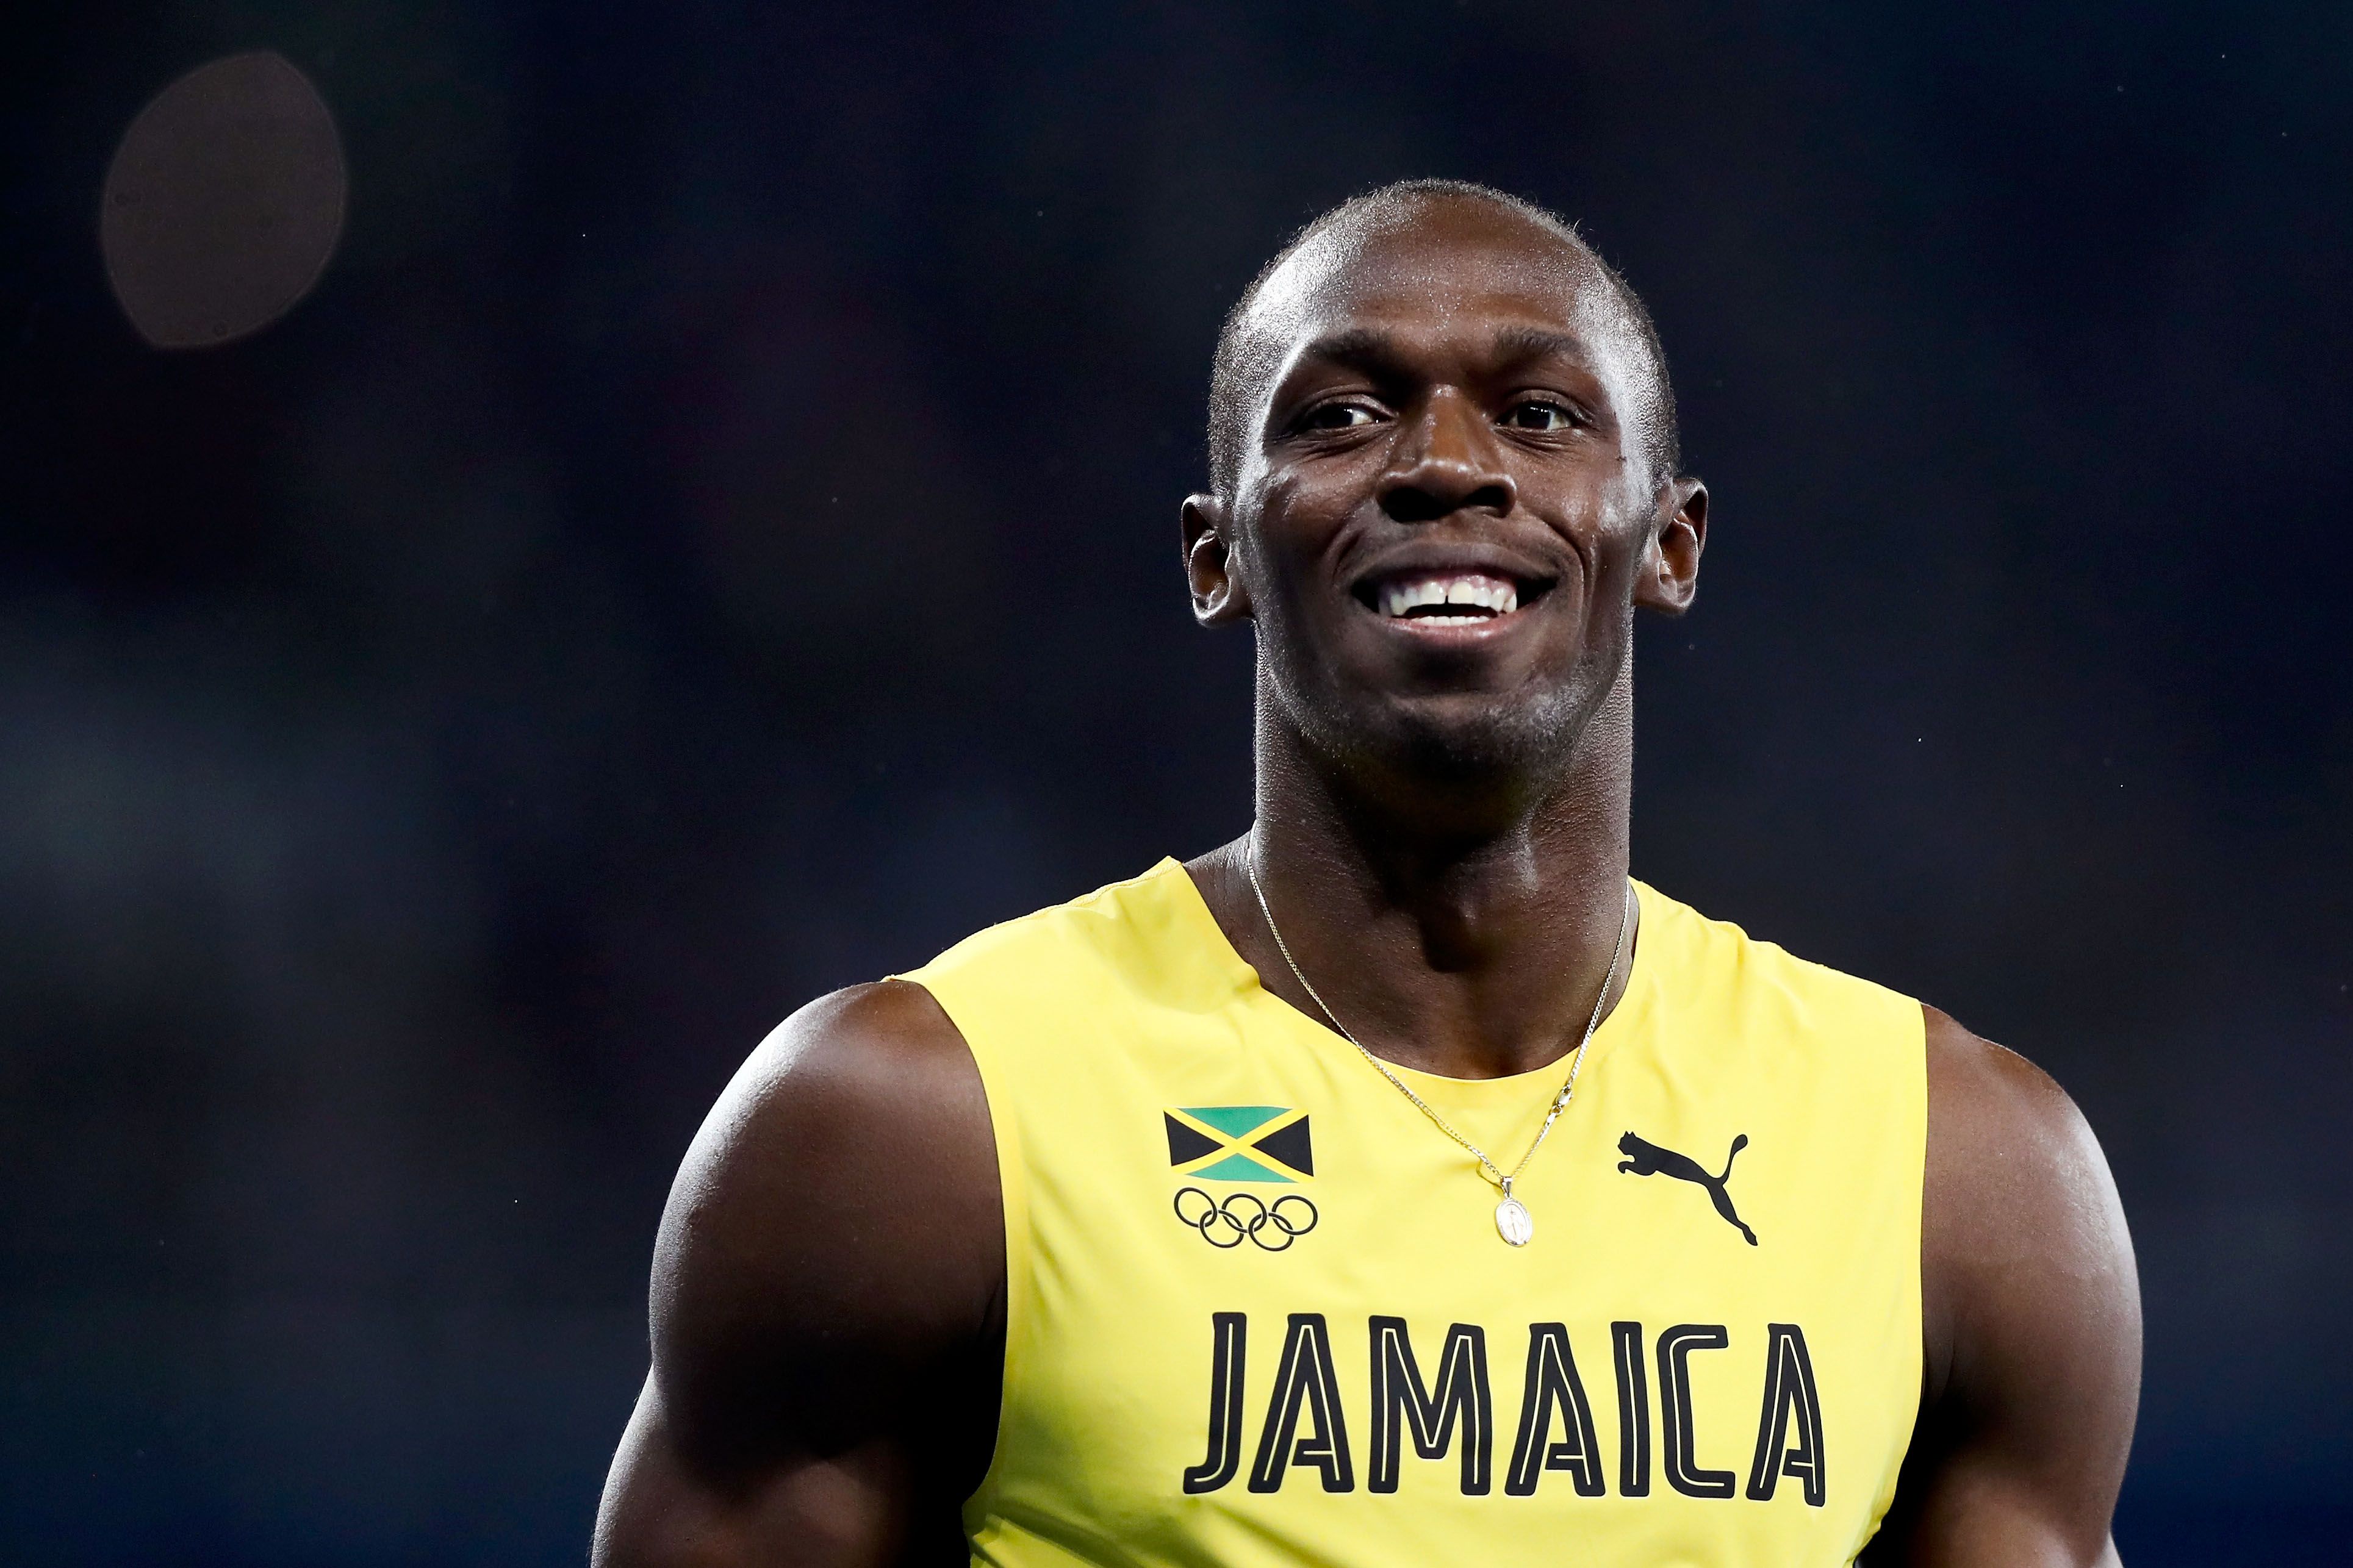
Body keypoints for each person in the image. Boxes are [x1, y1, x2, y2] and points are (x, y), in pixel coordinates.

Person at [591, 179, 2141, 1567]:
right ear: (1218, 557)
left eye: (1540, 413)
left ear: (1669, 543)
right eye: (1341, 416)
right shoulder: (915, 1118)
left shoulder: (1963, 1169)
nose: (1449, 466)